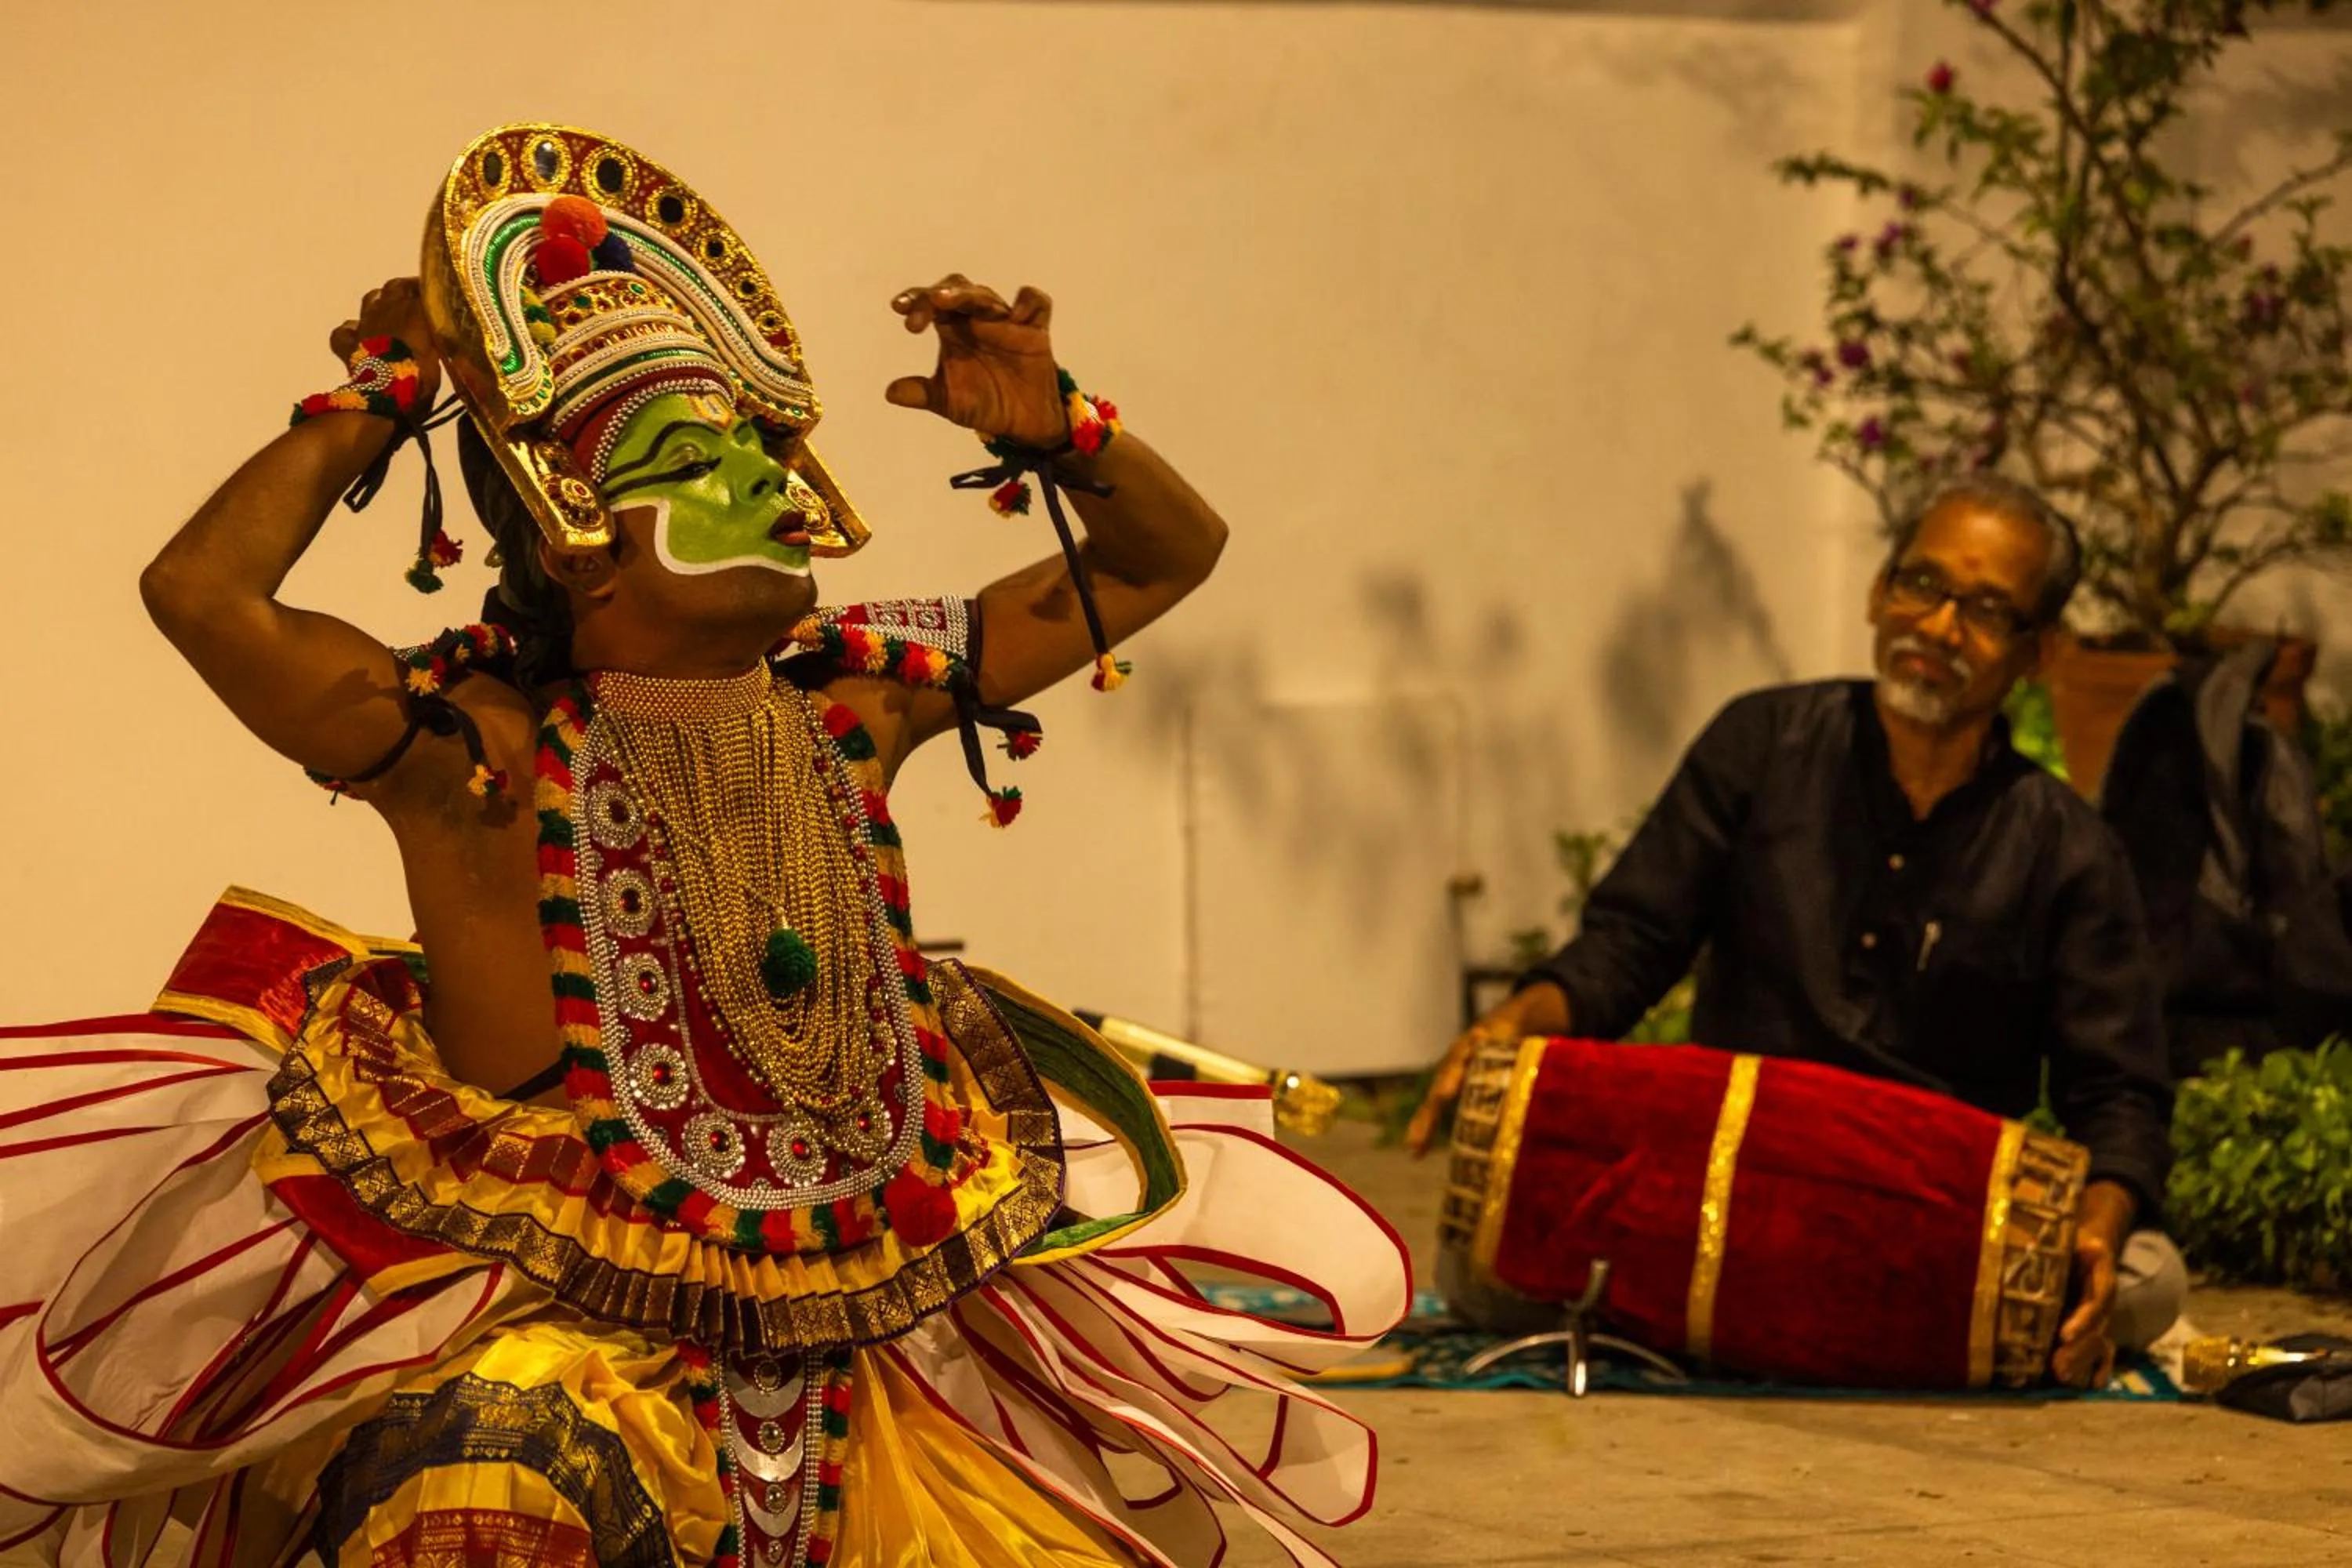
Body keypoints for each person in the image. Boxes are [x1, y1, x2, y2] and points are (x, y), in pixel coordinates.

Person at [0, 124, 1404, 1568]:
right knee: (482, 1507)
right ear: (576, 533)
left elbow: (1159, 561)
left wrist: (1057, 428)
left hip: (868, 1328)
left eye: (756, 450)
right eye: (697, 458)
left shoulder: (857, 695)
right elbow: (203, 595)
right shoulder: (471, 751)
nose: (766, 489)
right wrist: (388, 394)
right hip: (561, 1337)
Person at [1410, 472, 2182, 1387]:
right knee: (1476, 1264)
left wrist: (2096, 1224)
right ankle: (1825, 1331)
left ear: (2040, 652)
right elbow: (1630, 941)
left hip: (1922, 1228)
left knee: (2148, 1277)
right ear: (1877, 592)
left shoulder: (2066, 847)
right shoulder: (1762, 742)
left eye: (1983, 610)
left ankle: (1729, 1326)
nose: (1937, 627)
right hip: (1726, 1195)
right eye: (1921, 585)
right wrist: (1513, 1025)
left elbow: (2120, 1094)